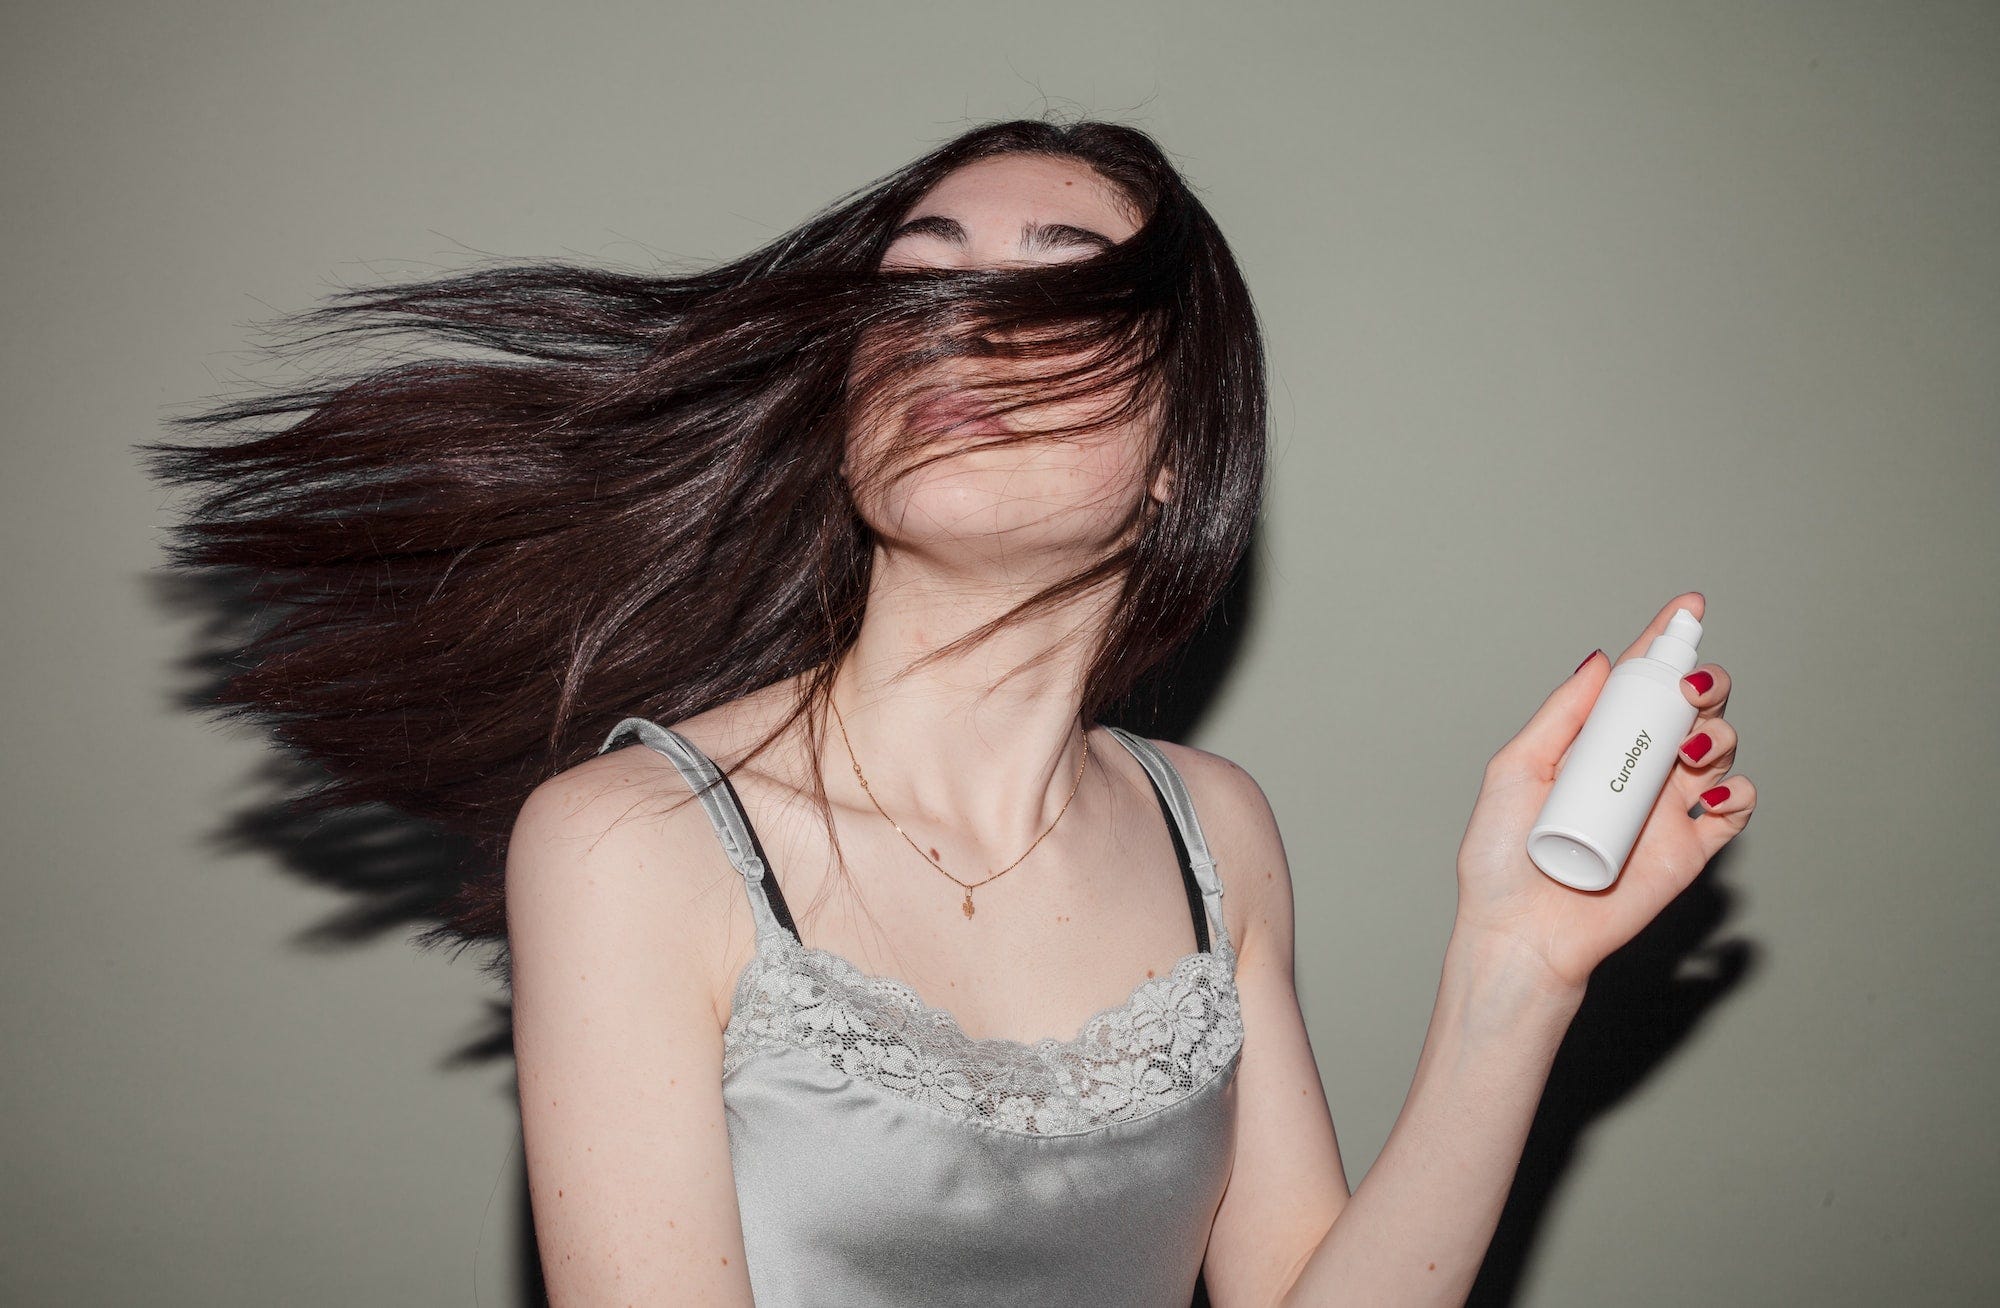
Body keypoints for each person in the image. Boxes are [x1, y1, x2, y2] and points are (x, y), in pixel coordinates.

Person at [144, 118, 1754, 1307]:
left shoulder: (1218, 831)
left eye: (1059, 294)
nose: (960, 323)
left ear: (1185, 451)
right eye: (919, 284)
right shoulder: (631, 842)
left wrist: (1517, 972)